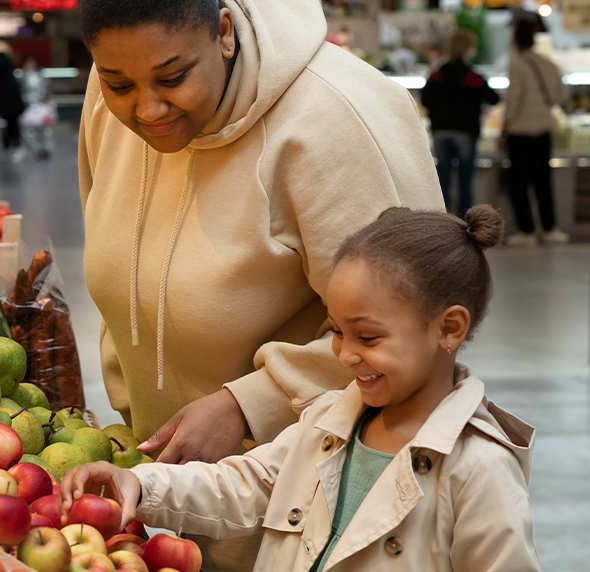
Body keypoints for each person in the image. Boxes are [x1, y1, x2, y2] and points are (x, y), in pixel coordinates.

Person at [77, 0, 443, 567]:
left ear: (224, 32)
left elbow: (417, 328)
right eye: (118, 82)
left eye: (174, 78)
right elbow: (119, 271)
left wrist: (249, 405)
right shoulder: (110, 106)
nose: (146, 109)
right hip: (166, 499)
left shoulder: (338, 118)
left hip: (309, 513)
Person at [61, 206, 538, 571]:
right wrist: (140, 484)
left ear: (448, 329)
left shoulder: (479, 469)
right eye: (336, 331)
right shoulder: (327, 418)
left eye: (367, 337)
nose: (346, 354)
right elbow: (245, 484)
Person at [504, 19, 569, 245]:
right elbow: (560, 97)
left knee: (520, 183)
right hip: (543, 128)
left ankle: (527, 231)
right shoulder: (548, 64)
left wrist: (505, 125)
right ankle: (550, 228)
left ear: (516, 41)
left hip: (520, 131)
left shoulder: (518, 65)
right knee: (544, 180)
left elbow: (512, 102)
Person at [422, 30, 499, 218]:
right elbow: (493, 98)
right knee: (465, 182)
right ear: (468, 49)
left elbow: (424, 99)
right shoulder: (473, 77)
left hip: (441, 132)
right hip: (465, 132)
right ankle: (465, 225)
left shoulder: (437, 75)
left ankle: (443, 222)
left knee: (443, 182)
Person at [0, 42, 26, 161]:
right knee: (12, 123)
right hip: (11, 97)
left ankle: (12, 147)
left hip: (8, 98)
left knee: (10, 123)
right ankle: (12, 147)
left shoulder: (0, 57)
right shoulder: (7, 58)